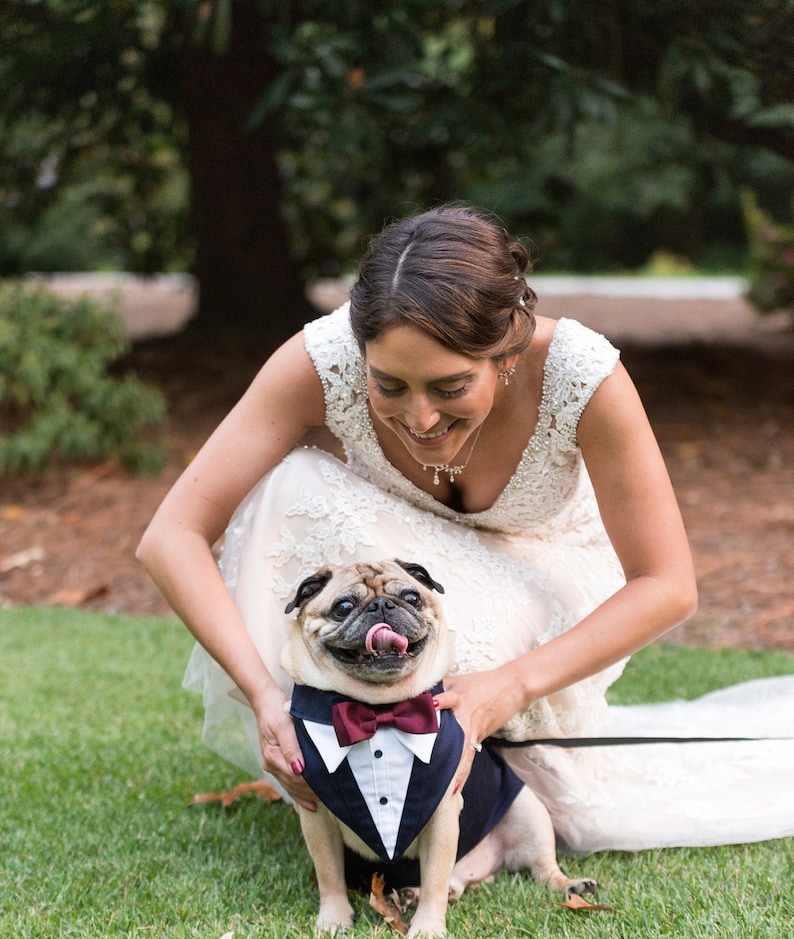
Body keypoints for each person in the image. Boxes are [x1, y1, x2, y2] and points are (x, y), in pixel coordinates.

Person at [138, 205, 793, 855]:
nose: (419, 418)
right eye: (389, 385)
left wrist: (508, 686)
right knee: (290, 487)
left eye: (450, 387)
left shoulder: (580, 375)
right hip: (409, 560)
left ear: (505, 350)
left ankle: (487, 795)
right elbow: (170, 536)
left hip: (547, 573)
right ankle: (353, 761)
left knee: (467, 661)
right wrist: (263, 696)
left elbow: (669, 585)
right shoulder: (322, 360)